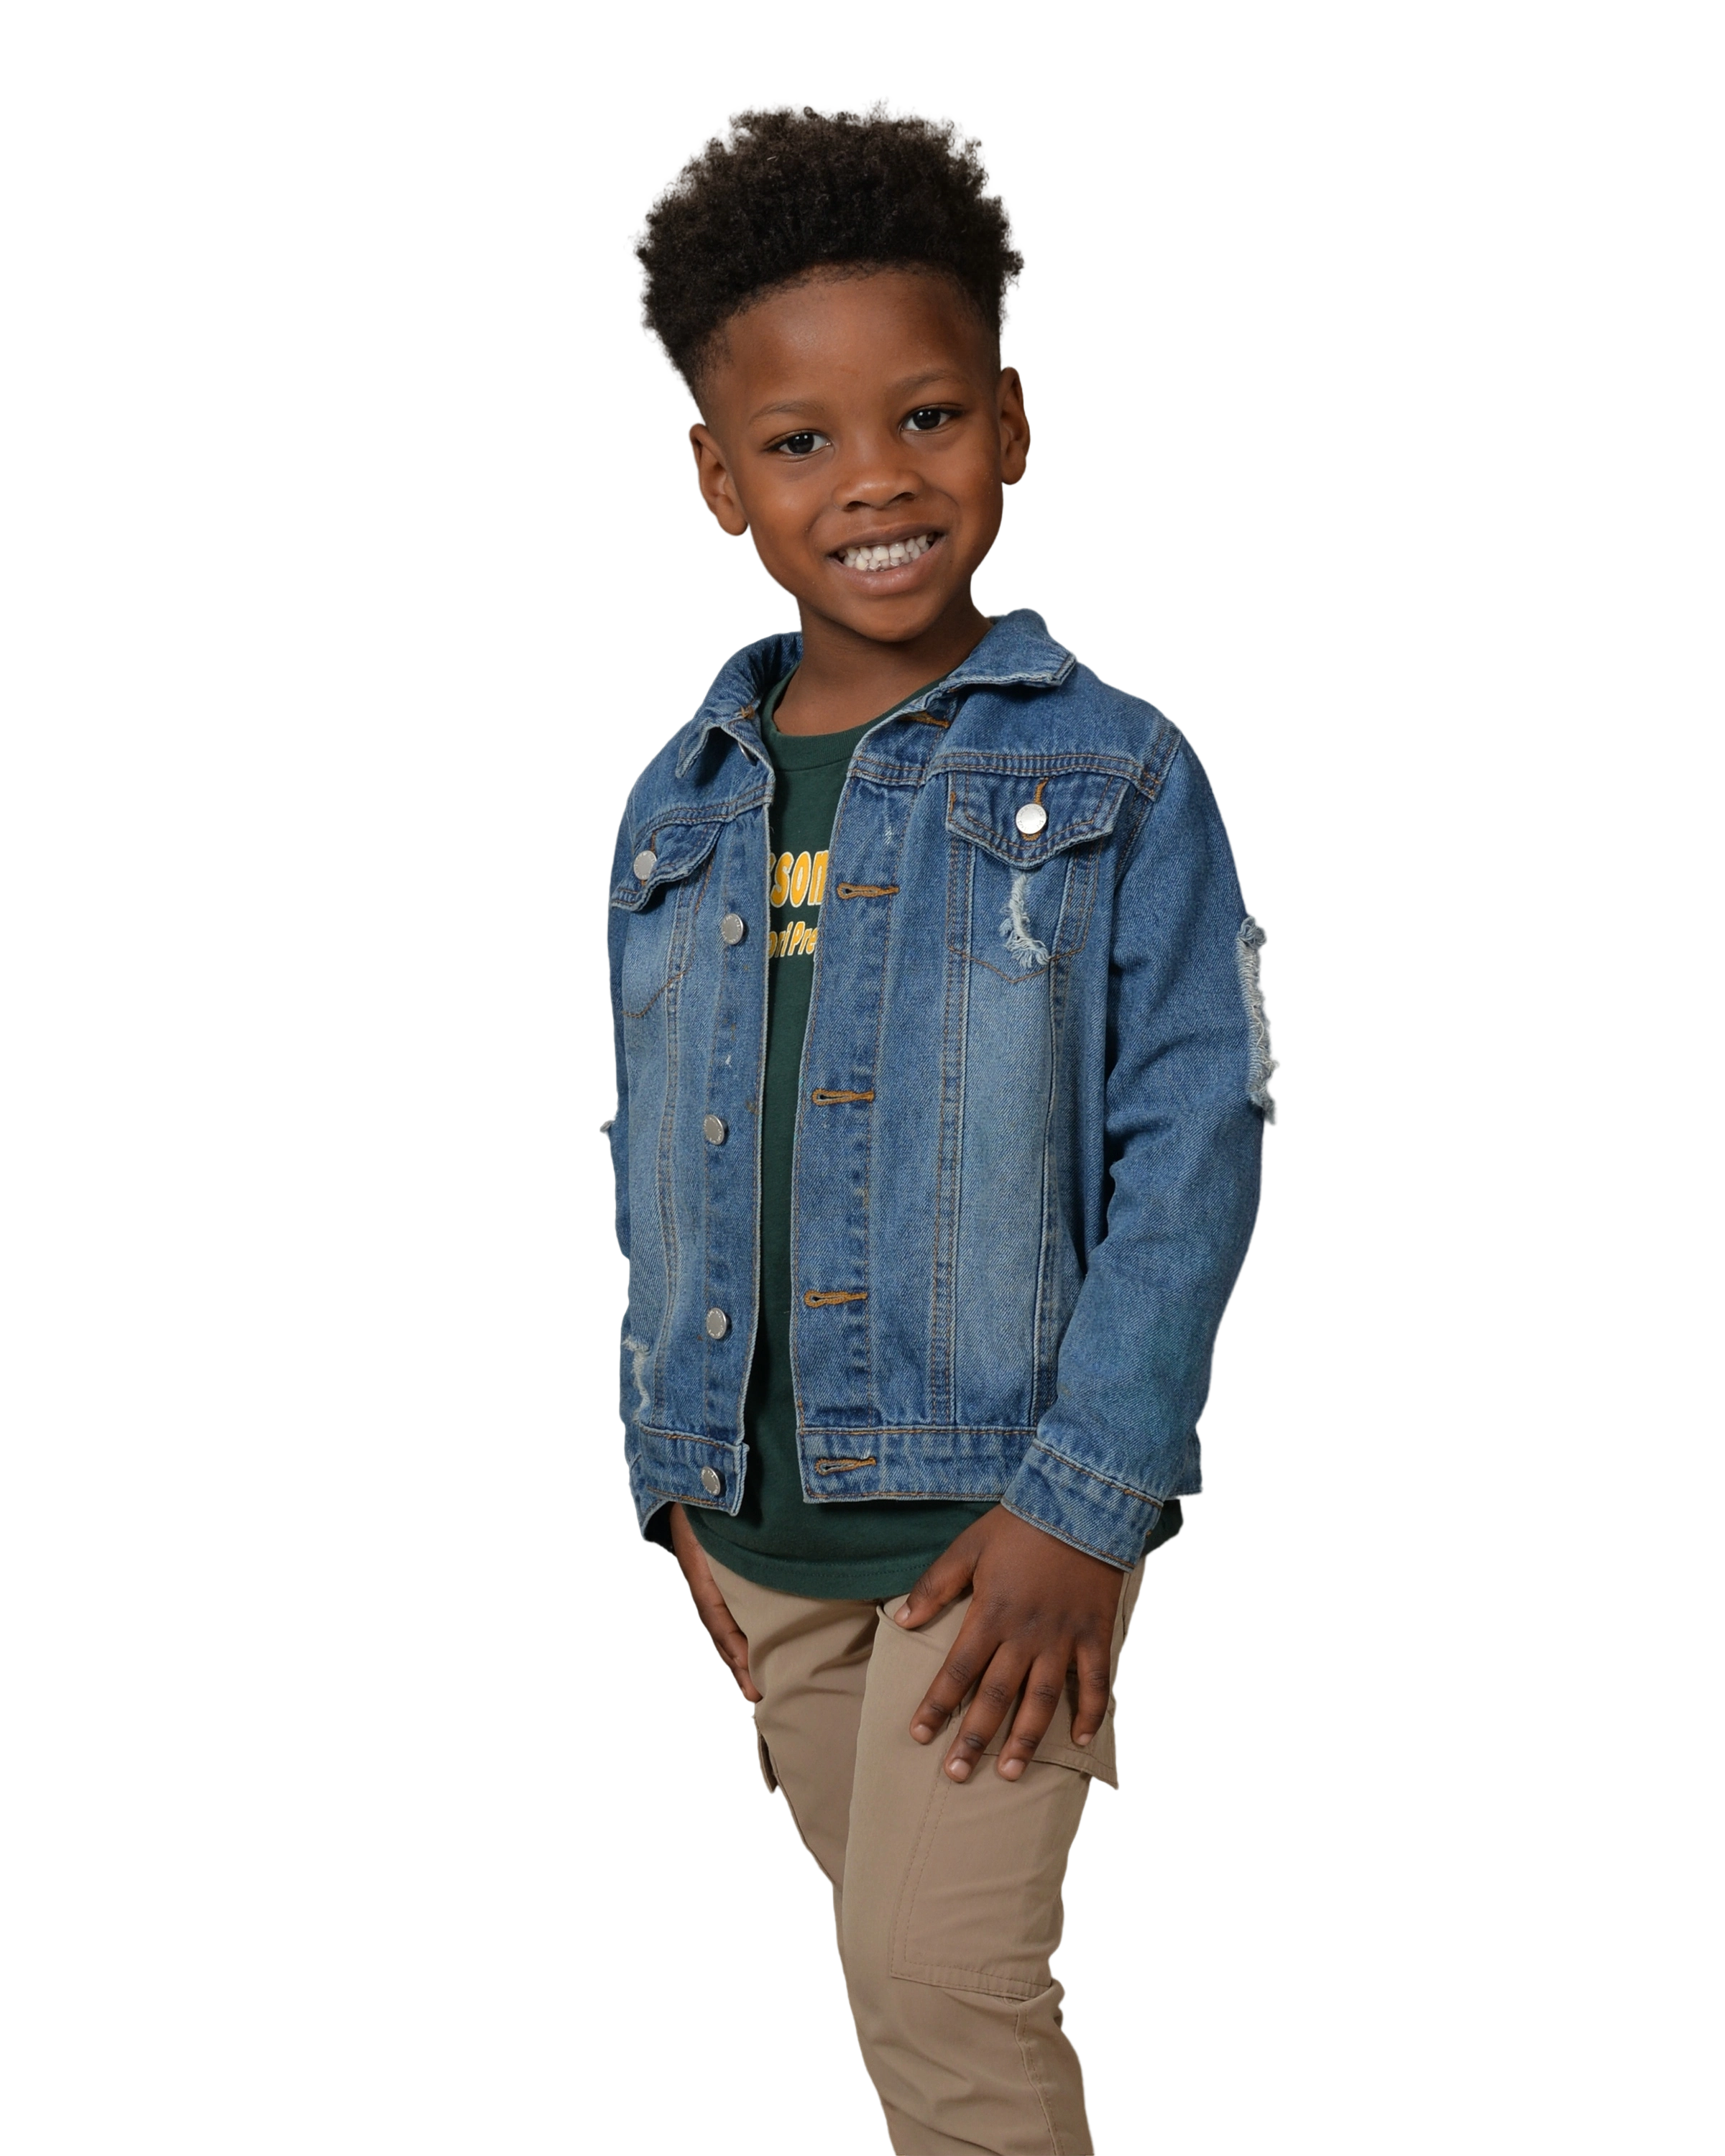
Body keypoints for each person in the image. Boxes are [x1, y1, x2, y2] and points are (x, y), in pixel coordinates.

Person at [604, 93, 1279, 2156]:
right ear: (722, 482)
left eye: (927, 416)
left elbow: (1198, 1137)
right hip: (765, 1537)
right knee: (895, 2005)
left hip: (999, 1534)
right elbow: (654, 1142)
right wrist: (671, 1487)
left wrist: (1090, 1504)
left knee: (947, 2000)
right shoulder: (680, 800)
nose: (877, 479)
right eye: (802, 441)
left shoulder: (1118, 770)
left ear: (1015, 423)